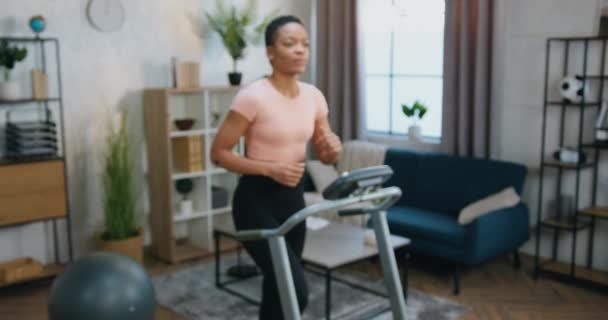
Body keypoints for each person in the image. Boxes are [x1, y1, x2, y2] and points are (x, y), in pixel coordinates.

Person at [210, 14, 342, 320]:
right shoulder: (253, 96)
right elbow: (218, 153)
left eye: (305, 45)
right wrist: (269, 169)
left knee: (278, 288)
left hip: (293, 202)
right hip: (256, 202)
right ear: (270, 51)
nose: (300, 50)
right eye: (290, 43)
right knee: (296, 291)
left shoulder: (314, 97)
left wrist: (332, 149)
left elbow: (326, 155)